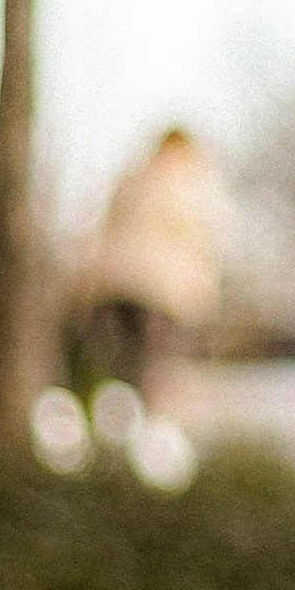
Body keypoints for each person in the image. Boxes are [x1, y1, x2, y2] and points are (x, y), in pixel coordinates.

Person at [69, 126, 227, 405]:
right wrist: (203, 289)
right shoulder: (194, 181)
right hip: (164, 288)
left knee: (123, 358)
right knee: (156, 360)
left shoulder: (134, 176)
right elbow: (203, 237)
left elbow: (107, 229)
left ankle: (121, 409)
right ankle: (148, 411)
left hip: (117, 284)